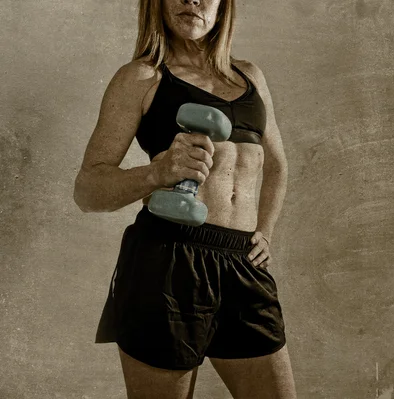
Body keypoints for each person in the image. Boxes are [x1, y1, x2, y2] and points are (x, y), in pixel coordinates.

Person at [73, 0, 297, 397]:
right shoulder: (141, 78)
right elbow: (88, 190)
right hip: (168, 262)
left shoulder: (251, 76)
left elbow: (275, 165)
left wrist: (265, 229)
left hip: (243, 263)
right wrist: (157, 172)